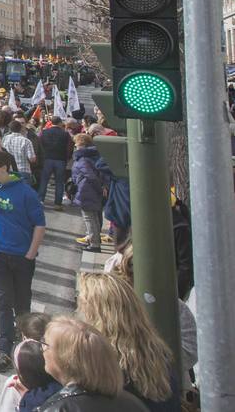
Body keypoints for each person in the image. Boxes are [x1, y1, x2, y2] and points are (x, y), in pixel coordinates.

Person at [0, 148, 47, 373]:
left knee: (22, 302)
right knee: (2, 301)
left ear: (6, 167)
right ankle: (4, 349)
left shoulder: (26, 192)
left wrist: (31, 252)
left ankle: (25, 344)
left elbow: (39, 224)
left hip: (21, 255)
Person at [74, 272, 180, 412]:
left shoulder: (101, 363)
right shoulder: (156, 351)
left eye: (80, 303)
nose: (77, 311)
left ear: (96, 314)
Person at [37, 317, 149, 411]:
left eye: (44, 343)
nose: (42, 349)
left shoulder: (59, 408)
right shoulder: (134, 404)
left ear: (65, 358)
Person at [69, 133, 108, 253]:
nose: (75, 147)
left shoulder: (83, 159)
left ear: (82, 145)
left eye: (76, 144)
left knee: (89, 218)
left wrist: (99, 188)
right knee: (94, 217)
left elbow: (90, 176)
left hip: (86, 191)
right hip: (91, 190)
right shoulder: (94, 155)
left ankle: (94, 243)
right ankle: (95, 241)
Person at [37, 117, 72, 208]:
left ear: (51, 123)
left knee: (44, 181)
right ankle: (57, 203)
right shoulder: (65, 134)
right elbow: (69, 148)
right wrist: (67, 158)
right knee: (59, 182)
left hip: (46, 159)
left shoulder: (44, 132)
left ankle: (40, 200)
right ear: (60, 123)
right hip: (60, 160)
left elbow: (39, 144)